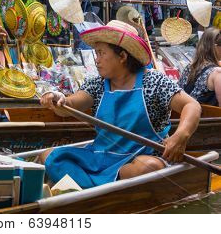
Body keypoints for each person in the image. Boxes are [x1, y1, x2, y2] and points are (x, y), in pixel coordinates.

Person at [40, 20, 201, 188]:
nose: (97, 60)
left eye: (101, 53)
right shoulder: (98, 84)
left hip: (137, 159)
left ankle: (80, 187)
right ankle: (95, 188)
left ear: (122, 56)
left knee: (149, 167)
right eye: (96, 54)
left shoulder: (153, 81)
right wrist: (58, 99)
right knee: (49, 156)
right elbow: (71, 104)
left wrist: (181, 136)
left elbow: (192, 105)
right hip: (101, 156)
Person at [178, 27, 221, 107]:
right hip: (208, 118)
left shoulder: (190, 67)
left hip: (184, 116)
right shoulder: (217, 73)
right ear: (215, 47)